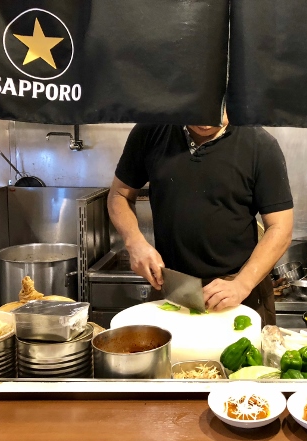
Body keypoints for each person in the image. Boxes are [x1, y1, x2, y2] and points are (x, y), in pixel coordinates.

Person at [107, 111, 293, 325]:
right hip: (173, 286)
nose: (206, 121)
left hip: (238, 288)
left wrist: (243, 283)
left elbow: (280, 227)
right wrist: (135, 242)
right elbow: (119, 195)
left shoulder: (261, 145)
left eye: (217, 110)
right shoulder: (150, 130)